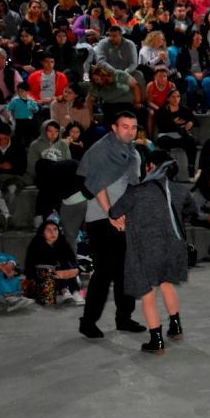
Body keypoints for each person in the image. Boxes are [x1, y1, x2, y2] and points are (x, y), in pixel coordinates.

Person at [108, 151, 197, 355]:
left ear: (150, 167)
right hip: (173, 248)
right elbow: (192, 210)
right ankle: (175, 327)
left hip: (146, 249)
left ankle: (156, 340)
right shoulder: (179, 190)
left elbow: (114, 211)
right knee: (166, 284)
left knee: (148, 294)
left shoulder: (136, 191)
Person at [76, 111, 145, 339]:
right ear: (114, 128)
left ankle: (124, 318)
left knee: (126, 272)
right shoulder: (101, 151)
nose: (130, 131)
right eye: (125, 126)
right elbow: (97, 185)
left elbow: (134, 187)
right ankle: (88, 322)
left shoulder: (133, 154)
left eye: (133, 127)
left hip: (126, 219)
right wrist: (111, 213)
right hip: (101, 218)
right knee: (104, 273)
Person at [23, 215, 84, 305]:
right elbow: (30, 269)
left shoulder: (62, 243)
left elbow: (73, 261)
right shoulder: (36, 244)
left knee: (67, 263)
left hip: (59, 280)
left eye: (55, 229)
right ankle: (64, 290)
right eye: (48, 230)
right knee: (56, 264)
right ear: (42, 233)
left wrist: (75, 270)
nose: (53, 233)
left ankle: (73, 292)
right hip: (39, 281)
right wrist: (56, 273)